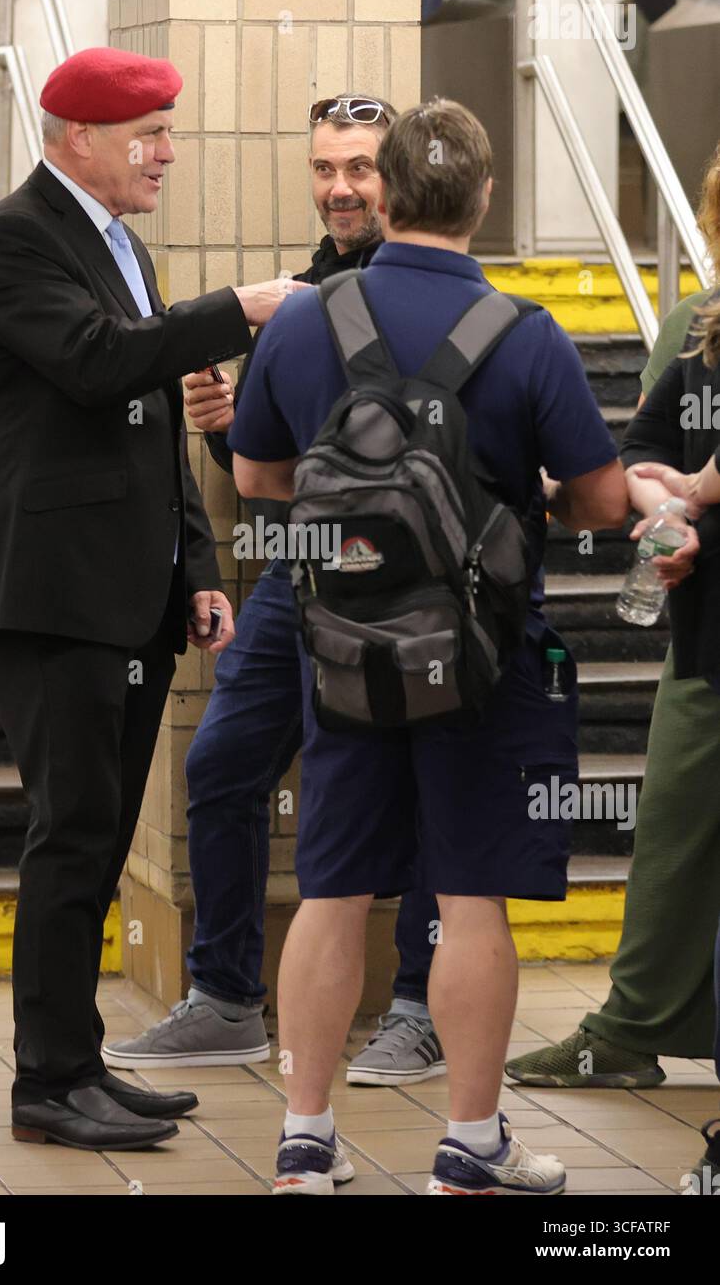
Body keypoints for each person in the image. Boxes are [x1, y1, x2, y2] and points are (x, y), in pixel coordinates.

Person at [228, 99, 628, 1195]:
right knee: (466, 898)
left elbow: (255, 479)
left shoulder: (305, 324)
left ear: (386, 196)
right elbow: (597, 501)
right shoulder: (526, 333)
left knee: (332, 889)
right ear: (483, 199)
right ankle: (469, 1141)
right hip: (485, 664)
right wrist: (531, 492)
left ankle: (304, 1140)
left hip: (345, 654)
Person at [0, 46, 299, 1152]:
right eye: (148, 134)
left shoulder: (119, 246)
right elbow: (101, 364)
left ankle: (77, 1061)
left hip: (131, 594)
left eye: (167, 131)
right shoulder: (16, 241)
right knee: (70, 838)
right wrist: (235, 311)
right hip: (52, 595)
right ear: (78, 140)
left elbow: (152, 422)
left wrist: (195, 569)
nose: (167, 153)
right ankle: (43, 1084)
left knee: (98, 838)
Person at [104, 94, 446, 1086]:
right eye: (324, 168)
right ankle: (223, 998)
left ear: (403, 176)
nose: (340, 187)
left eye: (360, 168)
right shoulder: (299, 294)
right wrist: (217, 421)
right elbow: (263, 460)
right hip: (302, 573)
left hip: (414, 592)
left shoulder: (432, 288)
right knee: (220, 763)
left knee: (422, 789)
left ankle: (419, 1006)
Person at [506, 144, 720, 1094]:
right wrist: (664, 503)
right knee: (673, 834)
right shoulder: (699, 324)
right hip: (709, 638)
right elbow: (647, 444)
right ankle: (629, 1031)